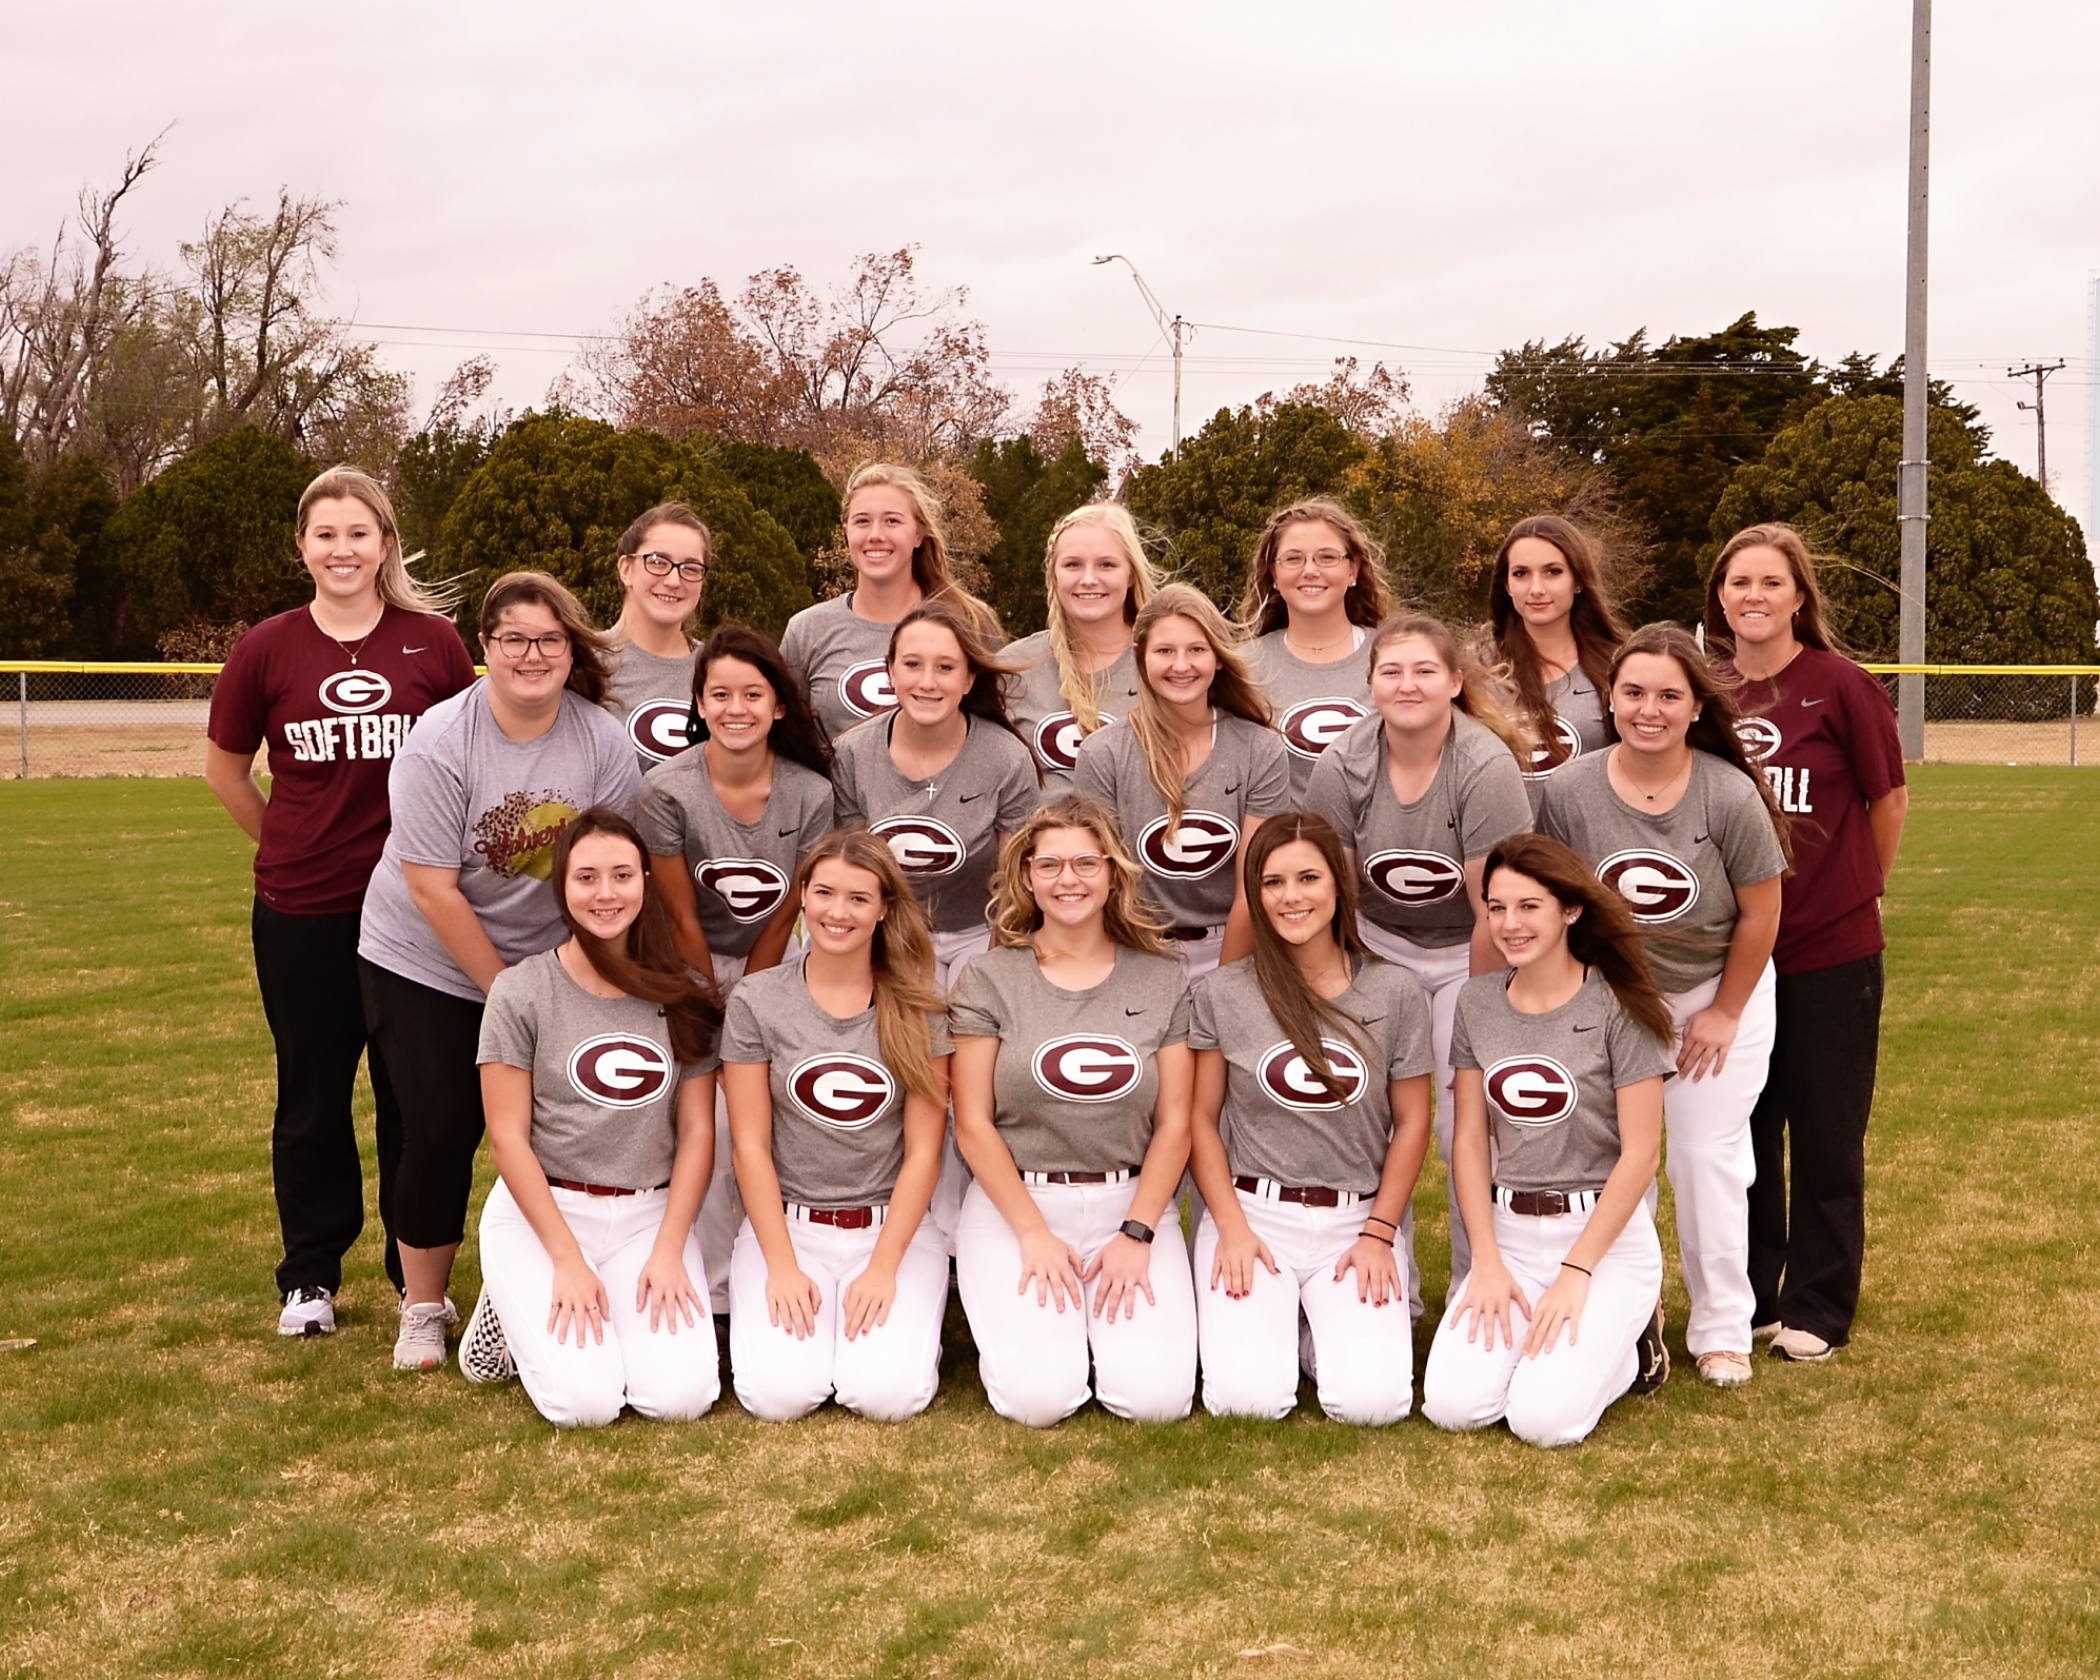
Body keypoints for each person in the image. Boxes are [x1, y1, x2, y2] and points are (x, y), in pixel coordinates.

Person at [204, 467, 475, 1338]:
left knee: (415, 1098)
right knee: (313, 1096)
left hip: (414, 915)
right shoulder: (268, 647)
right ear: (302, 546)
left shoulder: (434, 644)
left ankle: (415, 1278)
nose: (343, 549)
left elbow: (469, 765)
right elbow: (226, 770)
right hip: (305, 911)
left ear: (385, 543)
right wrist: (287, 845)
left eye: (359, 533)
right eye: (326, 535)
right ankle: (309, 1278)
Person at [358, 572, 643, 1372]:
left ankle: (562, 1277)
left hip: (552, 959)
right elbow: (431, 888)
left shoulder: (599, 739)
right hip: (424, 959)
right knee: (442, 1125)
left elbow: (612, 873)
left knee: (574, 1123)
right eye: (513, 638)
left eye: (549, 639)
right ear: (484, 648)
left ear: (570, 648)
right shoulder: (441, 741)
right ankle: (422, 1304)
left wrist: (594, 980)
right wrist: (510, 994)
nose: (532, 654)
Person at [1536, 623, 1789, 1388]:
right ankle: (1632, 1325)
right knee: (1620, 1168)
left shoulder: (1726, 790)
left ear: (1694, 706)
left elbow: (1761, 914)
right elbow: (1554, 902)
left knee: (1707, 1160)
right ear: (1609, 699)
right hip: (1617, 1001)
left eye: (1669, 695)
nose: (1650, 709)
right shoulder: (1570, 788)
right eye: (1635, 692)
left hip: (1716, 992)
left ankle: (1721, 1330)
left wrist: (1723, 1011)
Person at [1706, 524, 1907, 1364]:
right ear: (1719, 595)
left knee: (1827, 1131)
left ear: (1798, 596)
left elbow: (1887, 803)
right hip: (1736, 957)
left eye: (1770, 583)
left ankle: (1819, 1303)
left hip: (1830, 950)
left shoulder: (1841, 685)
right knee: (1744, 1132)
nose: (1753, 596)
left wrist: (1853, 893)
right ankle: (1753, 1294)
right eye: (1737, 582)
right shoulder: (1705, 689)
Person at [1302, 612, 1532, 1307]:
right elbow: (1331, 891)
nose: (1408, 685)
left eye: (1425, 670)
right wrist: (1348, 984)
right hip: (1379, 944)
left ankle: (1475, 1282)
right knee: (1368, 1110)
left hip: (1470, 947)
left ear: (1456, 682)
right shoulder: (1343, 762)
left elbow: (1495, 905)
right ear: (1369, 684)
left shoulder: (1484, 762)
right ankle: (1386, 1288)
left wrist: (1486, 1011)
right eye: (1391, 671)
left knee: (1467, 1119)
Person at [948, 795, 1199, 1426]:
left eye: (1087, 863)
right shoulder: (987, 978)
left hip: (1131, 1200)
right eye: (1051, 864)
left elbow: (1175, 1122)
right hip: (1019, 1204)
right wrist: (1033, 1233)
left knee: (1156, 1404)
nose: (1069, 880)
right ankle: (1063, 1342)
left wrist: (1137, 1234)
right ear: (1027, 876)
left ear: (1113, 873)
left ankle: (1098, 1335)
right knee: (1039, 1402)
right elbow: (972, 1122)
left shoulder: (1161, 977)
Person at [1421, 834, 1675, 1447]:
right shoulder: (1477, 1001)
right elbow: (1471, 1143)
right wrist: (1484, 1260)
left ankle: (1635, 1337)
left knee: (1543, 1420)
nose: (1510, 924)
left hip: (1601, 1240)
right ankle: (1559, 1348)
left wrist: (1576, 1270)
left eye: (1529, 906)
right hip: (1509, 1235)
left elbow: (1642, 1156)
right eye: (1497, 907)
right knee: (1453, 1406)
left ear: (1570, 909)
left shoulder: (1619, 1004)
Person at [473, 809, 722, 1427]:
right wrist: (565, 1259)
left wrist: (669, 1248)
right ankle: (508, 1306)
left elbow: (696, 1131)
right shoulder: (522, 990)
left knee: (679, 1401)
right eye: (586, 878)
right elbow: (507, 1137)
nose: (605, 894)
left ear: (645, 880)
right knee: (586, 1406)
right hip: (548, 1214)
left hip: (647, 1217)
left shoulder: (683, 990)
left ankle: (583, 1314)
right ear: (562, 888)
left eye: (620, 875)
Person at [1187, 813, 1434, 1425]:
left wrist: (1381, 1234)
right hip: (1254, 1216)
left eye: (1307, 878)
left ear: (1337, 887)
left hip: (1354, 1223)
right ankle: (1285, 1321)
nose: (1291, 896)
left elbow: (1412, 1121)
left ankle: (1307, 1328)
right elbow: (1199, 1118)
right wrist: (1231, 1227)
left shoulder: (1395, 992)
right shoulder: (1224, 993)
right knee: (1247, 1403)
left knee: (1372, 1406)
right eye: (1272, 883)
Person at [718, 830, 952, 1421]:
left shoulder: (920, 1006)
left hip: (889, 1231)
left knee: (886, 1397)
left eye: (857, 898)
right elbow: (750, 1146)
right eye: (823, 893)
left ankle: (891, 1333)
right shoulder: (758, 999)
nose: (837, 912)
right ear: (801, 897)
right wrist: (781, 1266)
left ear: (884, 910)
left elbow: (925, 1153)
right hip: (789, 1226)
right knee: (779, 1397)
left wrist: (881, 1269)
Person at [639, 623, 835, 1315]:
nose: (736, 708)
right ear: (698, 703)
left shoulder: (811, 793)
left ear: (779, 705)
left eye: (753, 693)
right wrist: (711, 1001)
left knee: (780, 1117)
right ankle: (718, 1295)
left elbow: (788, 911)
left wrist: (754, 998)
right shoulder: (666, 790)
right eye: (718, 694)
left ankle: (787, 1265)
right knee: (712, 1125)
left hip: (780, 964)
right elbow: (678, 915)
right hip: (687, 966)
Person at [1073, 583, 1290, 981]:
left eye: (1196, 650)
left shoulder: (1259, 749)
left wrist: (1225, 988)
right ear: (1139, 656)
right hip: (1137, 949)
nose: (1181, 665)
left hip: (1235, 947)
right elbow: (1100, 885)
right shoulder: (1103, 754)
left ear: (1219, 659)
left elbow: (1252, 889)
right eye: (1165, 651)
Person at [830, 599, 1040, 990]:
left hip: (978, 931)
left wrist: (992, 967)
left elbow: (1012, 883)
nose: (927, 682)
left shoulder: (1006, 758)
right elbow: (853, 874)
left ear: (968, 679)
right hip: (889, 927)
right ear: (891, 672)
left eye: (945, 667)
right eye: (912, 665)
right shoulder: (853, 753)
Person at [782, 463, 972, 742]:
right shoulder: (807, 630)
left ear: (918, 534)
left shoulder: (966, 622)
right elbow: (784, 738)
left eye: (892, 521)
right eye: (862, 521)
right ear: (846, 531)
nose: (876, 535)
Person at [1238, 498, 1396, 802]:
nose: (1310, 571)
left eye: (1327, 557)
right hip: (1285, 845)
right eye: (1294, 558)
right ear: (1274, 573)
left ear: (1353, 570)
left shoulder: (1396, 658)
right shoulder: (1244, 668)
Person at [1002, 504, 1158, 792]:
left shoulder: (1165, 664)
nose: (1088, 579)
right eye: (1073, 564)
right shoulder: (1012, 666)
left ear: (1132, 574)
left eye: (1106, 565)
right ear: (1054, 574)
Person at [1478, 515, 1628, 811]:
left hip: (1590, 846)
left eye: (1552, 572)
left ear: (1579, 580)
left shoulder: (1621, 664)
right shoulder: (1477, 667)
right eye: (1521, 574)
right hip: (1505, 849)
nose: (1536, 588)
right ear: (1506, 584)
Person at [603, 503, 711, 771]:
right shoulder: (584, 662)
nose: (674, 580)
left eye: (690, 568)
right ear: (626, 568)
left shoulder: (720, 668)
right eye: (658, 562)